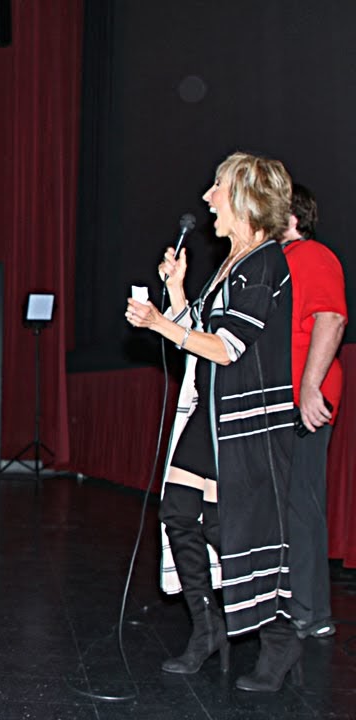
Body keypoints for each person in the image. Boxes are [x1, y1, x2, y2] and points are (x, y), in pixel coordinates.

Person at [126, 152, 297, 691]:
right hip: (211, 414)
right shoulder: (232, 262)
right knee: (178, 511)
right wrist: (176, 294)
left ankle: (280, 639)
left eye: (217, 187)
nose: (207, 198)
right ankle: (208, 630)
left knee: (233, 528)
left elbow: (225, 349)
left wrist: (160, 322)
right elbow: (199, 337)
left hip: (243, 422)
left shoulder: (265, 262)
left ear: (245, 196)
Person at [280, 184, 347, 640]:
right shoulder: (273, 262)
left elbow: (332, 318)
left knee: (301, 504)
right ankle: (288, 602)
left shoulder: (313, 255)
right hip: (275, 400)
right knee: (281, 505)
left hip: (304, 399)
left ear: (291, 215)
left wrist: (309, 388)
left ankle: (311, 612)